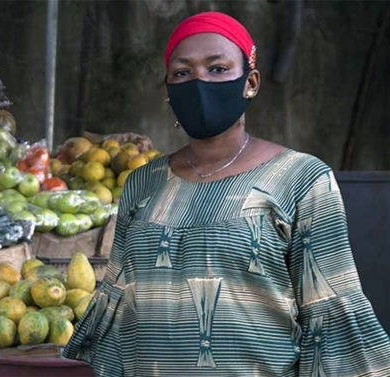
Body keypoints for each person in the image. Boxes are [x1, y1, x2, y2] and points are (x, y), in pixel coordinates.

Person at [63, 11, 390, 376]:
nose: (199, 82)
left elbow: (330, 311)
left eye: (217, 69)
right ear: (168, 89)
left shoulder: (301, 179)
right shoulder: (143, 184)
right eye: (182, 73)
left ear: (250, 82)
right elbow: (121, 310)